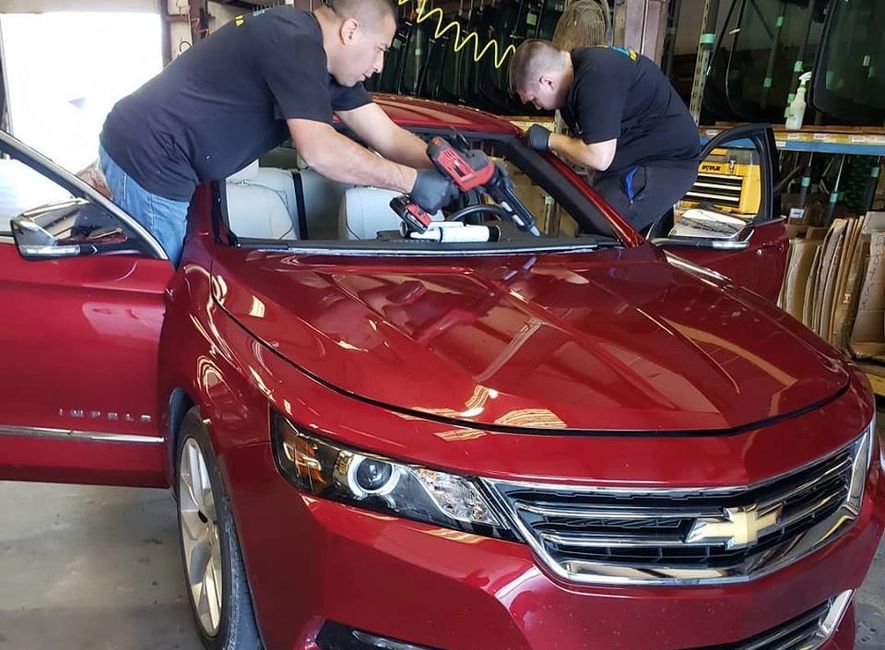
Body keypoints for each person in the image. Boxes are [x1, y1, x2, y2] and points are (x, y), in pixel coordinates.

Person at [99, 0, 456, 264]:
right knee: (167, 287)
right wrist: (410, 181)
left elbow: (387, 135)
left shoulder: (328, 66)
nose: (379, 65)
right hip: (150, 159)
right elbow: (321, 151)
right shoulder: (293, 41)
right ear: (350, 31)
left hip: (168, 160)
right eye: (379, 50)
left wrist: (451, 166)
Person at [509, 40, 701, 232]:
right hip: (629, 158)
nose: (537, 107)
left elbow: (599, 158)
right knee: (590, 219)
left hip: (666, 163)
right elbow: (593, 154)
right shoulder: (573, 81)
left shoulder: (597, 76)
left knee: (603, 229)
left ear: (547, 81)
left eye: (534, 99)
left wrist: (550, 139)